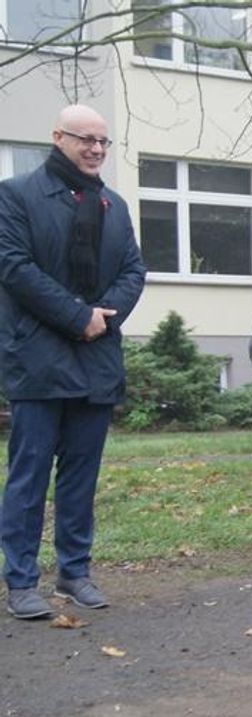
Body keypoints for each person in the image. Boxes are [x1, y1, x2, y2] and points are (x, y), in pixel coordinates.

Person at [0, 104, 146, 619]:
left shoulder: (115, 204)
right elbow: (14, 268)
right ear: (58, 137)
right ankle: (20, 580)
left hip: (96, 356)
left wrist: (102, 319)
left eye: (103, 143)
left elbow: (133, 270)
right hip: (38, 357)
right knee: (30, 473)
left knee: (81, 474)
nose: (96, 150)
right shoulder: (15, 195)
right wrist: (77, 316)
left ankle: (74, 572)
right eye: (86, 140)